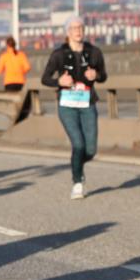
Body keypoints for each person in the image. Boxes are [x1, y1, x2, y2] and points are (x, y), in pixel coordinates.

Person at [41, 16, 107, 199]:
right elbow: (45, 78)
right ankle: (77, 182)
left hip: (87, 103)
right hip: (67, 105)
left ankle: (77, 164)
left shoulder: (94, 52)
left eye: (80, 28)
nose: (78, 31)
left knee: (90, 150)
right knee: (78, 144)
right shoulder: (58, 55)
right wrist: (58, 81)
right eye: (74, 28)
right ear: (67, 32)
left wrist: (96, 75)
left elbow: (104, 75)